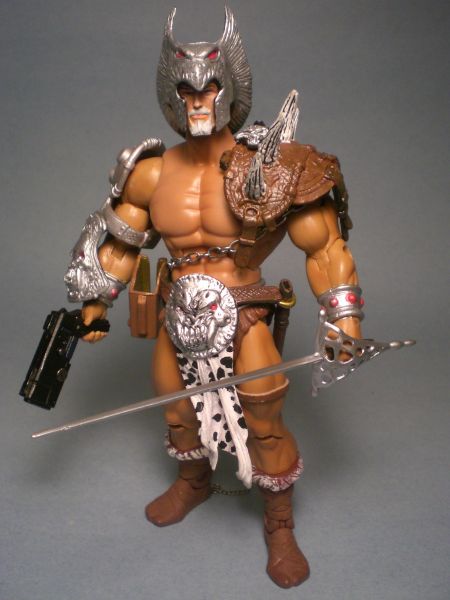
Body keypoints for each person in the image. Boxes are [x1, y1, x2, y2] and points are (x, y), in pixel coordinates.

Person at [64, 7, 363, 588]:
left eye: (209, 89)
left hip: (243, 309)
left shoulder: (271, 165)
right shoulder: (151, 173)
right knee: (177, 410)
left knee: (264, 419)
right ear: (170, 95)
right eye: (187, 91)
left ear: (231, 89)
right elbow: (122, 242)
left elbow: (324, 244)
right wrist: (97, 301)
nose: (198, 101)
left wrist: (343, 317)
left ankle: (279, 523)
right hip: (178, 314)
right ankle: (193, 482)